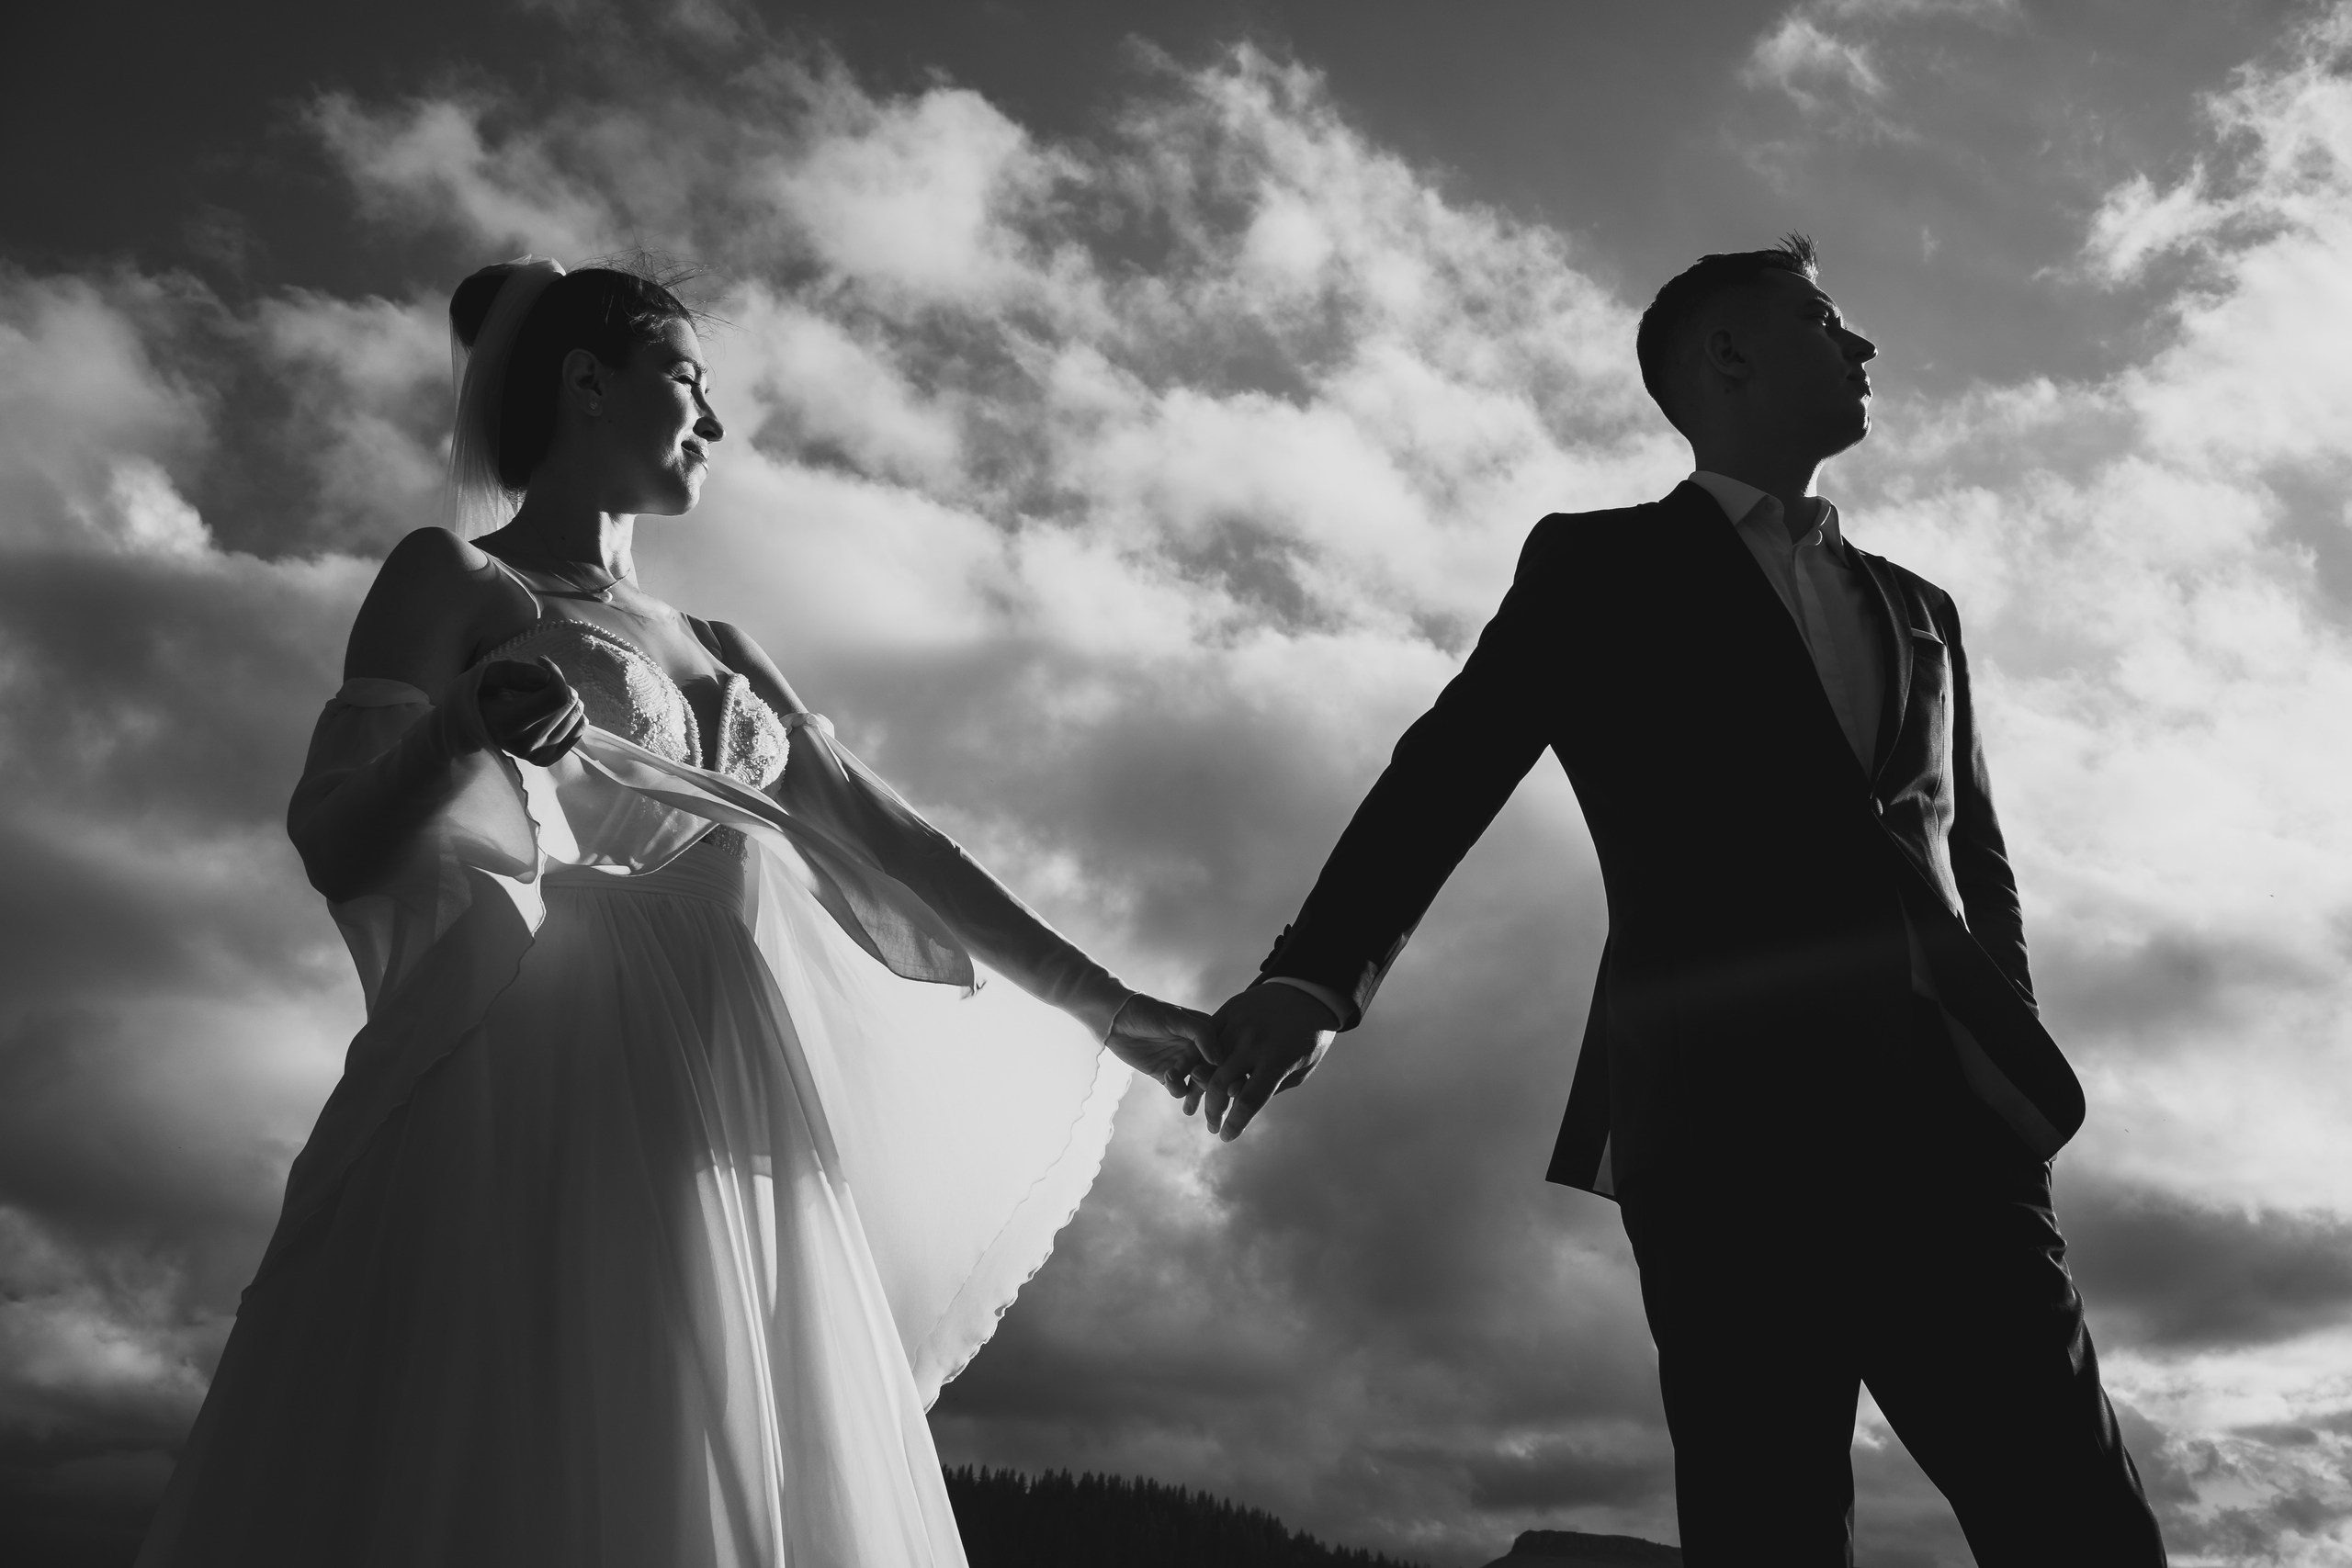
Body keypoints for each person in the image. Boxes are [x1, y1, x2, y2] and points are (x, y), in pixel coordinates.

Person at [138, 255, 1212, 1568]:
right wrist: (459, 734)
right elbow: (333, 841)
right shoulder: (459, 585)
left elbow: (895, 842)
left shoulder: (728, 643)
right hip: (530, 1091)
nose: (716, 421)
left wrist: (1119, 1011)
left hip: (732, 1094)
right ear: (588, 383)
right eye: (691, 383)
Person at [1198, 237, 2168, 1563]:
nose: (1863, 347)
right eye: (1828, 321)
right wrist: (1315, 979)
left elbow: (1973, 862)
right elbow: (1449, 771)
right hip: (1726, 1132)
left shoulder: (1923, 609)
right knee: (1767, 1525)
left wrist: (2009, 1055)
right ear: (1726, 356)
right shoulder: (1597, 567)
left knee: (2081, 1522)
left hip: (1953, 1139)